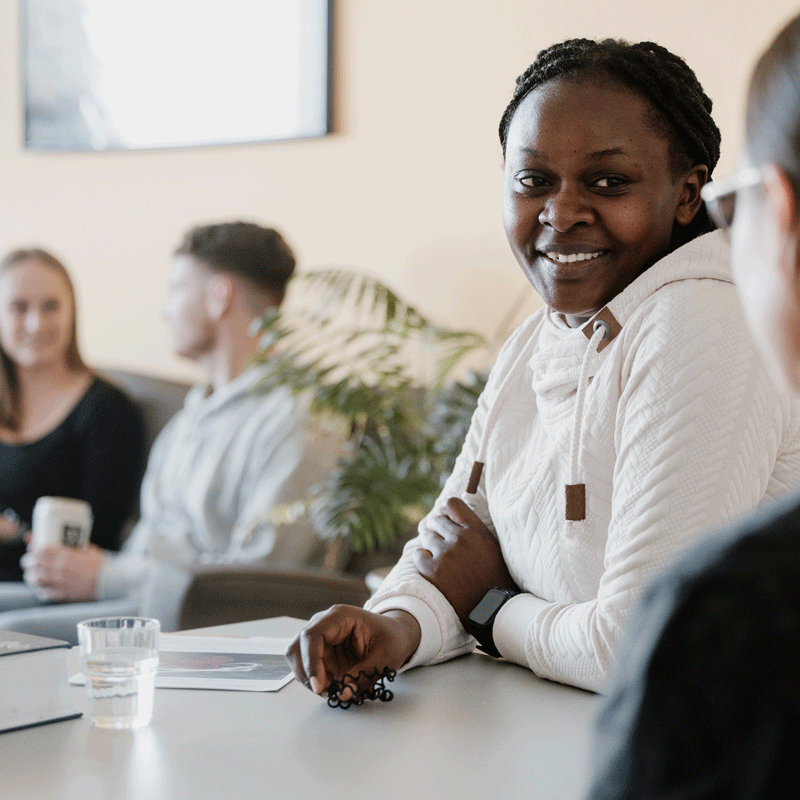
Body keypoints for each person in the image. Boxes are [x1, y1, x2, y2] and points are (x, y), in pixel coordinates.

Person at [286, 38, 800, 698]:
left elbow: (640, 644)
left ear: (686, 193)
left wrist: (493, 609)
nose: (561, 213)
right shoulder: (536, 338)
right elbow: (454, 541)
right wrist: (397, 625)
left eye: (608, 182)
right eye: (533, 182)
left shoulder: (703, 320)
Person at [587, 15, 800, 798]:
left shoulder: (739, 617)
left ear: (779, 210)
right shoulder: (539, 342)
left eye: (729, 205)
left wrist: (494, 606)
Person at [18, 221, 328, 605]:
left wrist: (107, 577)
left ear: (219, 297)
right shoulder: (188, 420)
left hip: (204, 626)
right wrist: (78, 571)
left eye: (176, 289)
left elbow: (257, 581)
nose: (165, 311)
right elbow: (147, 546)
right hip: (136, 606)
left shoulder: (299, 419)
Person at [0, 248, 145, 583]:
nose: (36, 323)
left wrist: (15, 534)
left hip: (37, 592)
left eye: (51, 306)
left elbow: (99, 542)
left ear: (72, 313)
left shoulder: (107, 411)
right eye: (19, 307)